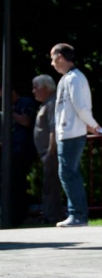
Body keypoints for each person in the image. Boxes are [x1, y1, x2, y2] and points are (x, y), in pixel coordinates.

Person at [51, 43, 102, 227]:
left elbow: (81, 107)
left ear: (60, 57)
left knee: (68, 173)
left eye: (52, 58)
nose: (52, 63)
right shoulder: (69, 78)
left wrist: (92, 125)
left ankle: (78, 215)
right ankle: (77, 214)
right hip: (68, 132)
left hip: (71, 133)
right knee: (69, 173)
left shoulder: (74, 79)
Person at [0, 88, 37, 225]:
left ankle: (19, 216)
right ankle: (12, 215)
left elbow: (26, 121)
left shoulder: (25, 102)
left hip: (22, 149)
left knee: (18, 183)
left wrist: (10, 111)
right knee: (11, 183)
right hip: (10, 150)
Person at [32, 75, 64, 224]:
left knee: (51, 187)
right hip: (47, 153)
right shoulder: (47, 103)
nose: (33, 91)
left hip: (50, 153)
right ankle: (51, 215)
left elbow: (54, 129)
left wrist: (50, 152)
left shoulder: (52, 103)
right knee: (49, 186)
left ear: (46, 87)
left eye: (36, 87)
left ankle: (52, 217)